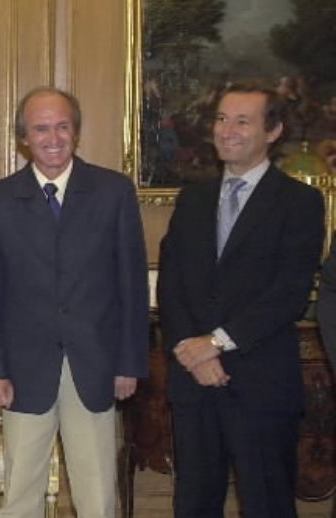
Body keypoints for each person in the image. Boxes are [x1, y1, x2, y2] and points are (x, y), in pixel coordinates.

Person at [0, 86, 149, 518]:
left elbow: (132, 285)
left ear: (76, 132)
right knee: (20, 492)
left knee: (97, 494)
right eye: (41, 128)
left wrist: (129, 362)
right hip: (24, 369)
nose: (53, 138)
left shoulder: (112, 192)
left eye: (62, 126)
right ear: (23, 138)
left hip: (97, 365)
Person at [158, 82, 325, 518]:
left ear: (272, 132)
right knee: (192, 503)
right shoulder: (193, 200)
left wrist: (215, 343)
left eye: (242, 121)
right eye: (221, 118)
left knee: (267, 504)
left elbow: (288, 293)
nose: (226, 130)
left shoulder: (300, 203)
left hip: (261, 384)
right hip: (193, 382)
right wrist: (191, 351)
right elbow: (172, 285)